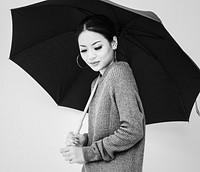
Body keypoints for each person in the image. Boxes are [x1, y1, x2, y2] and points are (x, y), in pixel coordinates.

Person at [60, 15, 145, 172]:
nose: (90, 56)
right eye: (83, 50)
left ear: (113, 43)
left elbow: (133, 130)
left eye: (97, 47)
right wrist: (85, 140)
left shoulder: (119, 73)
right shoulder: (97, 82)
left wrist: (87, 153)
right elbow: (108, 130)